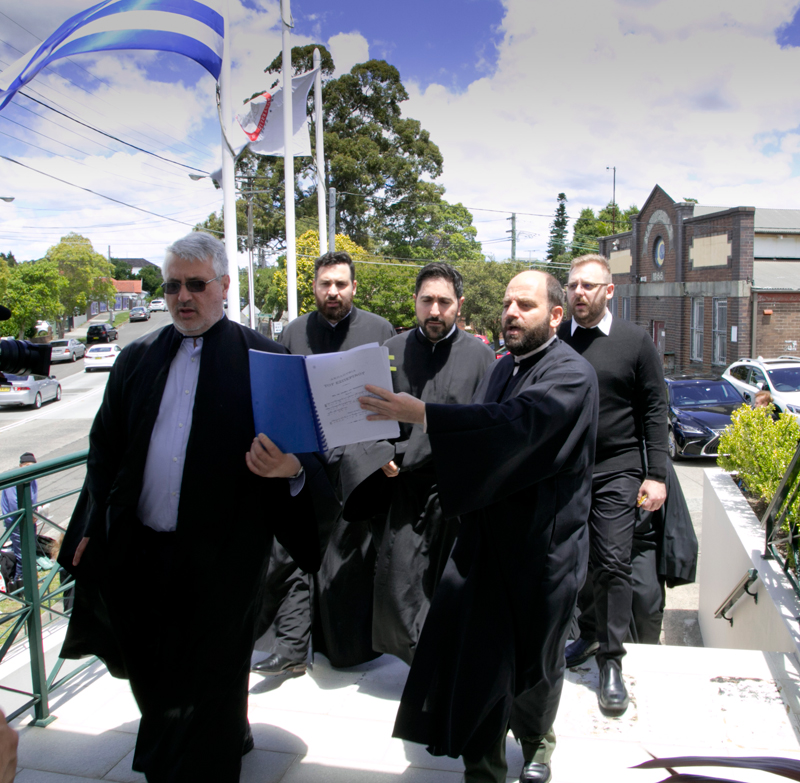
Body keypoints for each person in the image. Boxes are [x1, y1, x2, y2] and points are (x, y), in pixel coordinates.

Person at [57, 232, 328, 783]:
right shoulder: (135, 360)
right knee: (152, 673)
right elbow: (104, 451)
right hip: (143, 552)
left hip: (223, 561)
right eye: (174, 285)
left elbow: (310, 456)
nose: (183, 296)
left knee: (212, 684)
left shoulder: (268, 361)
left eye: (196, 285)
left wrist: (292, 469)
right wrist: (87, 526)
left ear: (224, 286)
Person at [359, 270, 599, 783]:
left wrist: (426, 413)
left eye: (526, 305)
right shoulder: (503, 368)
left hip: (543, 553)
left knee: (536, 666)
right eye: (508, 303)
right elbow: (487, 439)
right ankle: (483, 769)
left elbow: (518, 426)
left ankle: (536, 740)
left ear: (556, 315)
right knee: (482, 664)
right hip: (491, 544)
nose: (511, 312)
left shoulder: (572, 375)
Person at [252, 250, 395, 675]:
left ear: (354, 287)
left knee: (348, 560)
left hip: (357, 461)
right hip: (305, 460)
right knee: (296, 549)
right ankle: (292, 649)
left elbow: (390, 395)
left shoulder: (379, 330)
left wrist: (388, 452)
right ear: (313, 287)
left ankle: (347, 649)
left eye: (340, 284)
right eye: (324, 284)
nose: (332, 291)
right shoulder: (294, 332)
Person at [348, 262, 494, 664]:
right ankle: (418, 663)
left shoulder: (482, 358)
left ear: (459, 305)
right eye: (426, 300)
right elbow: (368, 418)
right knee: (400, 583)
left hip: (456, 493)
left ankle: (442, 665)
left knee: (449, 584)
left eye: (444, 302)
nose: (434, 310)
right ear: (414, 301)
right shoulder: (389, 353)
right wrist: (383, 455)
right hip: (402, 489)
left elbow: (487, 426)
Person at [558, 253, 668, 716]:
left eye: (589, 286)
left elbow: (654, 410)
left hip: (618, 468)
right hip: (563, 470)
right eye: (573, 285)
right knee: (572, 559)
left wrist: (656, 473)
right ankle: (586, 633)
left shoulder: (634, 341)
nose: (579, 292)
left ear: (609, 291)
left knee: (612, 560)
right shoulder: (555, 338)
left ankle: (612, 661)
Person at [1, 451, 38, 591]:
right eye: (27, 465)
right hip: (16, 522)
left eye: (33, 465)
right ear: (21, 465)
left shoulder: (32, 478)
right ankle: (20, 583)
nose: (30, 468)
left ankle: (28, 581)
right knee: (22, 553)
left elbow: (33, 498)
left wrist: (36, 512)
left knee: (31, 550)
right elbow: (13, 504)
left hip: (30, 519)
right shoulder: (14, 481)